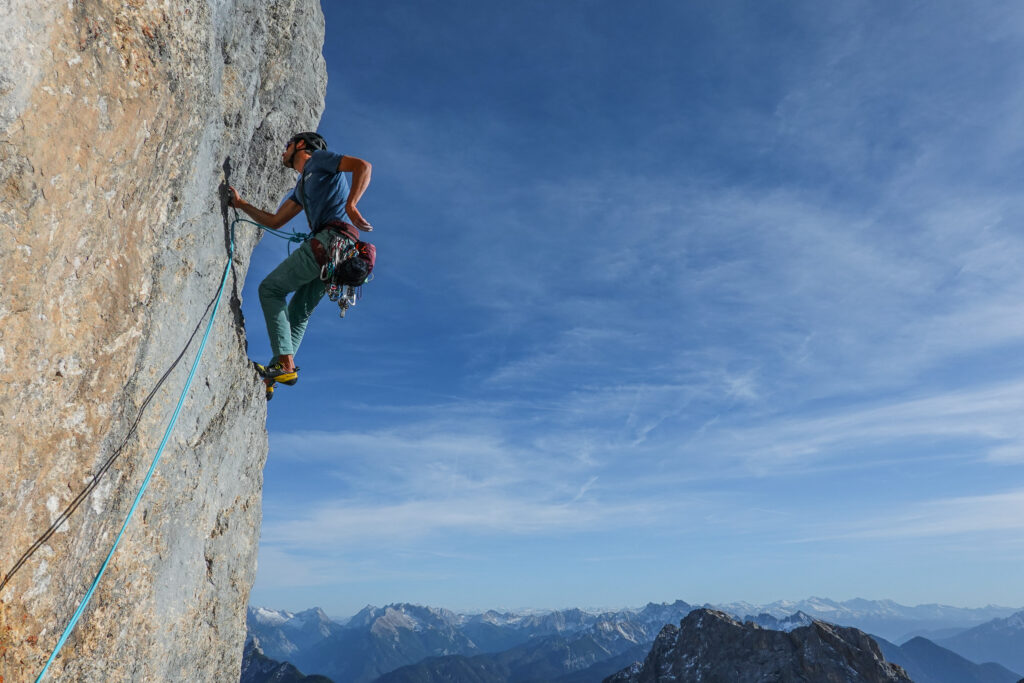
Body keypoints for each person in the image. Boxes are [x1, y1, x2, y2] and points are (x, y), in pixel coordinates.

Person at [228, 131, 373, 399]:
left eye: (287, 146)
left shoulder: (318, 160)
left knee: (270, 289)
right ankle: (279, 368)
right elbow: (274, 221)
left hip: (331, 242)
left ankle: (284, 365)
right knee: (299, 311)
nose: (284, 151)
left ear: (301, 145)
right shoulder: (302, 187)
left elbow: (362, 166)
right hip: (338, 255)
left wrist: (351, 204)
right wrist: (241, 204)